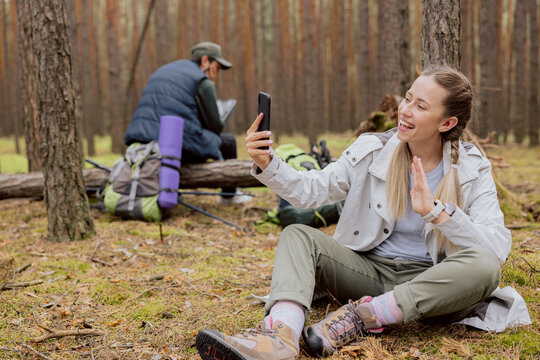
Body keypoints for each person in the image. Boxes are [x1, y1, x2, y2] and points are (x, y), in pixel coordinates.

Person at [195, 66, 530, 360]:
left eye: (421, 106)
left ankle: (365, 316)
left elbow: (495, 249)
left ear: (448, 122)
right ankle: (280, 337)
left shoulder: (472, 167)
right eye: (408, 98)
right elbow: (312, 191)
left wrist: (439, 214)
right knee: (298, 236)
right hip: (367, 271)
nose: (406, 110)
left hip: (434, 284)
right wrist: (268, 163)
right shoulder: (373, 149)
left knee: (485, 267)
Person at [124, 41, 251, 205]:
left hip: (141, 142)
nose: (216, 74)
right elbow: (215, 127)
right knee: (227, 142)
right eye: (217, 68)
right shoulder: (202, 81)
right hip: (172, 146)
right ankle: (229, 195)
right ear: (205, 61)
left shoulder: (163, 70)